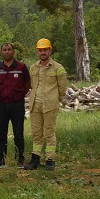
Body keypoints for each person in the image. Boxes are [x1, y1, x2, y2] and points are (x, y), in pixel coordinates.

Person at [26, 38, 68, 170]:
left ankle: (50, 159)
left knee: (49, 132)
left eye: (45, 50)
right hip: (35, 105)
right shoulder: (33, 67)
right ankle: (35, 159)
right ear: (37, 52)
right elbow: (32, 85)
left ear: (50, 50)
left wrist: (56, 100)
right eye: (40, 50)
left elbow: (62, 88)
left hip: (50, 105)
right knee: (36, 133)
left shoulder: (58, 68)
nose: (43, 52)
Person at [0, 43, 32, 168]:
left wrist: (19, 95)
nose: (7, 52)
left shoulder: (21, 67)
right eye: (4, 50)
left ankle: (20, 159)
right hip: (2, 105)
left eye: (9, 50)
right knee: (1, 134)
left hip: (17, 104)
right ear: (1, 52)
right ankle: (1, 159)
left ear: (13, 52)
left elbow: (27, 84)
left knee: (18, 133)